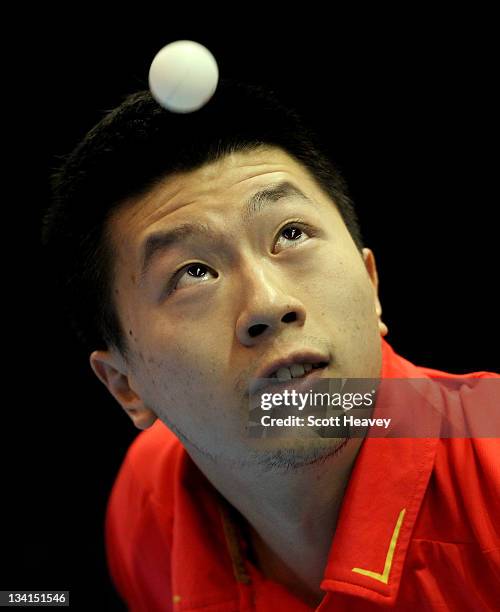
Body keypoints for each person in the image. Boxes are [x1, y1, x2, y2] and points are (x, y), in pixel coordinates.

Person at [42, 80, 499, 611]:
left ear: (371, 283)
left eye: (291, 234)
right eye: (193, 273)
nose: (268, 304)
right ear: (126, 386)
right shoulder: (149, 508)